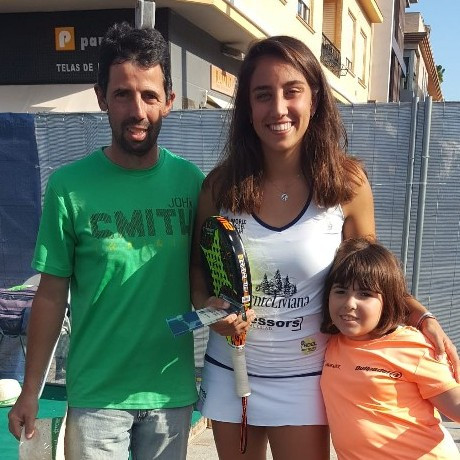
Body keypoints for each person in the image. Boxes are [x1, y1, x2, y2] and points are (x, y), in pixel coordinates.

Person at [190, 35, 459, 460]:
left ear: (314, 99)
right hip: (230, 371)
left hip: (306, 377)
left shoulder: (348, 184)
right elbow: (198, 273)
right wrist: (210, 310)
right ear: (247, 108)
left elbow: (370, 277)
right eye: (263, 95)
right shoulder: (219, 185)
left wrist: (421, 316)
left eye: (292, 91)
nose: (278, 108)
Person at [8, 22, 204, 460]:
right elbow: (50, 295)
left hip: (169, 393)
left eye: (150, 95)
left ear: (169, 101)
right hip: (96, 397)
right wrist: (30, 390)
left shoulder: (191, 183)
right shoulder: (69, 188)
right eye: (122, 94)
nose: (137, 110)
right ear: (101, 98)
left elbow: (200, 280)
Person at [320, 237, 460, 459]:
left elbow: (454, 403)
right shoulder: (329, 343)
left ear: (388, 300)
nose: (349, 303)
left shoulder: (411, 344)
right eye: (341, 291)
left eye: (365, 294)